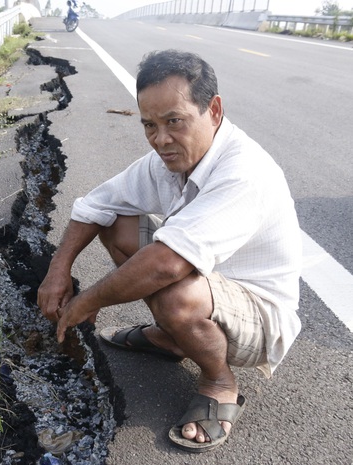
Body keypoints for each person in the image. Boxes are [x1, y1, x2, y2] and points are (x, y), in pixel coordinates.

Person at [37, 49, 301, 452]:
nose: (161, 139)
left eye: (174, 121)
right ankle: (175, 338)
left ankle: (219, 381)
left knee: (175, 288)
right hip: (209, 285)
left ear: (213, 110)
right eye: (149, 125)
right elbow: (96, 204)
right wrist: (58, 269)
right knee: (117, 222)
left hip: (260, 315)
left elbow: (167, 264)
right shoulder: (168, 160)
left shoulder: (245, 171)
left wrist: (87, 301)